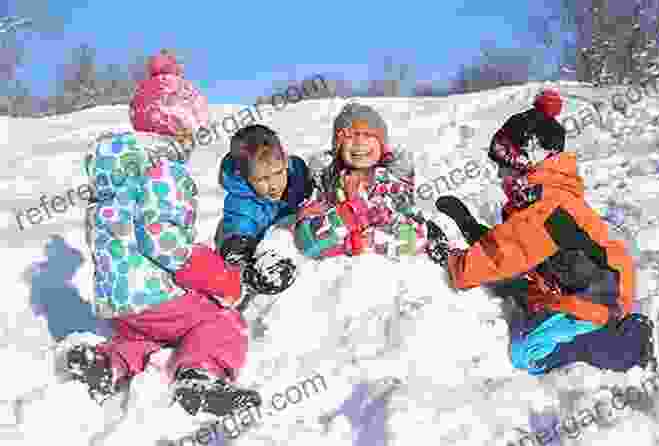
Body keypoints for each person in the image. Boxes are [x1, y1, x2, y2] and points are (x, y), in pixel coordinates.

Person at [64, 50, 262, 417]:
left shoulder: (113, 174)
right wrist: (216, 275)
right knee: (219, 319)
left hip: (118, 301)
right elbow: (162, 239)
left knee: (143, 337)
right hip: (155, 296)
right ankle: (200, 375)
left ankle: (110, 362)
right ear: (178, 126)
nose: (193, 141)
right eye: (192, 131)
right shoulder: (165, 170)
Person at [425, 88, 657, 375]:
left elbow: (503, 256)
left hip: (598, 304)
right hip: (570, 293)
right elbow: (512, 249)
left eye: (504, 167)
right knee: (518, 291)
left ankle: (626, 346)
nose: (499, 175)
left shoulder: (548, 207)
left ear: (527, 161)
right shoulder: (540, 200)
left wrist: (450, 259)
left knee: (528, 353)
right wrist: (471, 227)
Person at [294, 102, 433, 260]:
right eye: (350, 136)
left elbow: (417, 236)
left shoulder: (390, 184)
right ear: (338, 147)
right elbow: (309, 242)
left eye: (367, 135)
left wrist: (364, 240)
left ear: (382, 145)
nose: (359, 142)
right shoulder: (328, 184)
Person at [213, 124, 313, 308]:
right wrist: (250, 270)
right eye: (262, 179)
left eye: (278, 173)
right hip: (244, 241)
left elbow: (311, 181)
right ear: (245, 177)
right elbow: (237, 239)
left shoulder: (295, 172)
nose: (274, 185)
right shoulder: (242, 206)